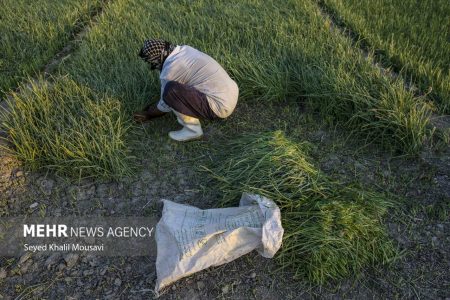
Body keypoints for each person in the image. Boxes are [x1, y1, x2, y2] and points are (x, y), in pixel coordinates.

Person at [134, 39, 239, 142]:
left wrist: (149, 114)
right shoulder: (185, 50)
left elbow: (164, 105)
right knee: (177, 89)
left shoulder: (170, 70)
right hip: (232, 92)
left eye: (151, 61)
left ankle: (192, 130)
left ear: (158, 58)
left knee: (171, 91)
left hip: (220, 107)